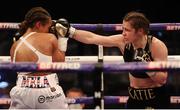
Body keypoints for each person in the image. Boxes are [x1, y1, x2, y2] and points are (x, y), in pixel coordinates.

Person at [55, 11, 170, 109]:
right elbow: (93, 38)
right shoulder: (123, 42)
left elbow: (162, 79)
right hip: (134, 99)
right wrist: (70, 32)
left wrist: (146, 65)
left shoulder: (156, 46)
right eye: (123, 29)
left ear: (140, 31)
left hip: (156, 99)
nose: (123, 33)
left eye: (127, 30)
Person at [9, 7, 69, 109]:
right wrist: (62, 38)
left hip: (21, 91)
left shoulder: (15, 46)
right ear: (38, 24)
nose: (48, 31)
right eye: (48, 27)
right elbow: (60, 64)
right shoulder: (50, 38)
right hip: (47, 91)